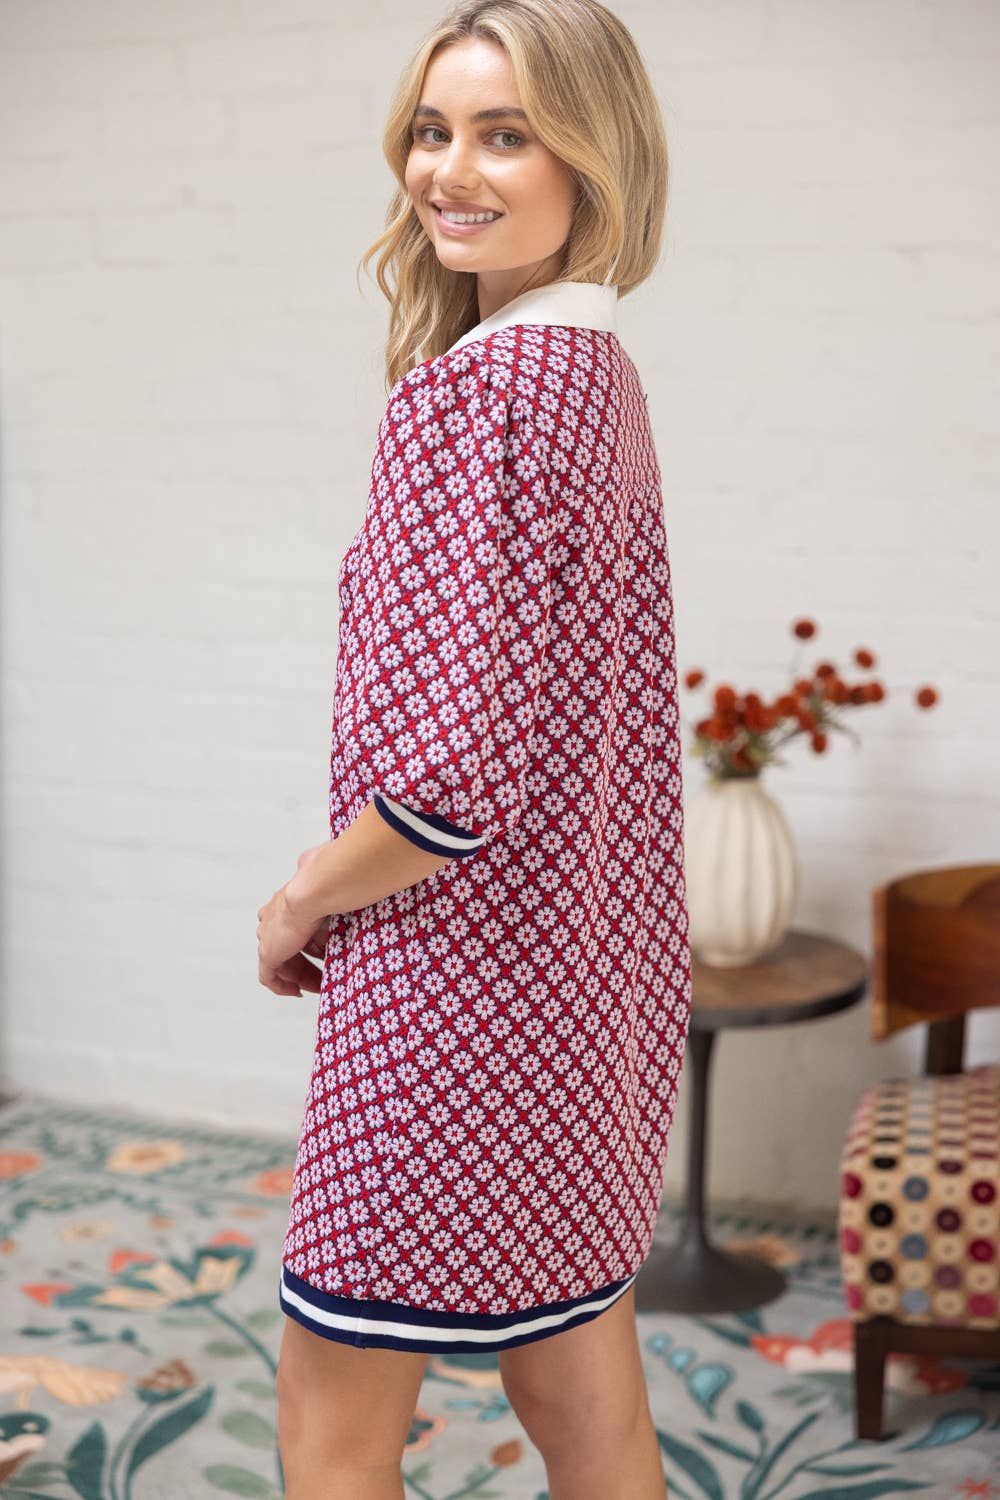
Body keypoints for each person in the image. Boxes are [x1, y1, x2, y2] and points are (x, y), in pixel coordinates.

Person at [256, 1, 691, 1495]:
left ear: (592, 158)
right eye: (432, 131)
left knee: (327, 1424)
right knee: (587, 1406)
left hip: (449, 1012)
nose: (450, 170)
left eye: (506, 135)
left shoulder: (474, 395)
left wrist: (301, 901)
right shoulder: (595, 376)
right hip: (584, 1000)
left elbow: (449, 782)